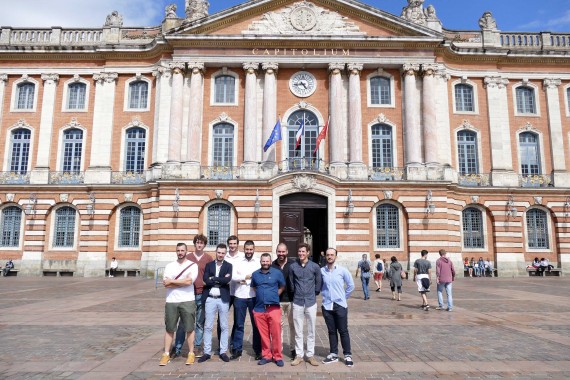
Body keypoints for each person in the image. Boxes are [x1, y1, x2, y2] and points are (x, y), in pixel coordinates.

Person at [173, 234, 213, 358]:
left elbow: (211, 274)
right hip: (188, 294)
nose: (199, 245)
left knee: (200, 322)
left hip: (202, 293)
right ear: (194, 244)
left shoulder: (208, 258)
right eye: (197, 242)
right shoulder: (188, 257)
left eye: (201, 243)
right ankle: (178, 347)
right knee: (183, 323)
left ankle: (196, 346)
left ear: (204, 245)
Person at [159, 243, 199, 366]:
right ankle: (166, 354)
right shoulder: (170, 266)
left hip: (187, 300)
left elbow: (189, 281)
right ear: (176, 251)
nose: (180, 252)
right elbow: (166, 284)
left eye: (182, 250)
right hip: (171, 300)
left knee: (189, 328)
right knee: (170, 328)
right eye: (178, 250)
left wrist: (172, 281)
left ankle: (191, 353)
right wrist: (178, 282)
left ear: (186, 251)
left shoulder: (193, 265)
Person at [321, 248, 355, 367]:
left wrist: (343, 298)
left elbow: (351, 285)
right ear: (325, 256)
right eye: (328, 255)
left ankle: (347, 354)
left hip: (340, 305)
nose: (330, 256)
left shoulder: (342, 271)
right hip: (327, 305)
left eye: (332, 255)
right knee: (331, 331)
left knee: (343, 331)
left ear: (336, 256)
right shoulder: (321, 271)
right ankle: (333, 353)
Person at [198, 243, 232, 363]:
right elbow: (206, 280)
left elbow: (227, 280)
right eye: (219, 252)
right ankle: (207, 352)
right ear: (216, 252)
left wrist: (214, 279)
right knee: (208, 326)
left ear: (225, 254)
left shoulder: (229, 266)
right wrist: (219, 280)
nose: (220, 255)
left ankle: (223, 351)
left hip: (223, 299)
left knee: (224, 326)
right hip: (210, 299)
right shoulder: (209, 265)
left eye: (223, 253)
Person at [289, 243, 322, 367]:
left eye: (303, 251)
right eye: (299, 251)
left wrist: (313, 293)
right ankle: (299, 355)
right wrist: (296, 293)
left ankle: (310, 355)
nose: (301, 254)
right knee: (298, 330)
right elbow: (291, 283)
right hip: (297, 301)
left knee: (311, 330)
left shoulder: (315, 267)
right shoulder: (293, 267)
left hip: (310, 302)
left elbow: (318, 282)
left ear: (308, 252)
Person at [251, 253, 286, 367]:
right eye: (263, 261)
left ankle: (277, 356)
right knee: (264, 335)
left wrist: (274, 295)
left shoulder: (277, 273)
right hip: (259, 309)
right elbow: (255, 287)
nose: (265, 263)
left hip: (273, 308)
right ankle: (266, 355)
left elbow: (282, 286)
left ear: (270, 262)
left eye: (267, 261)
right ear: (260, 262)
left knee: (276, 334)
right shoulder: (255, 274)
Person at [230, 240, 261, 360]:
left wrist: (244, 280)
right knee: (238, 324)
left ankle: (258, 350)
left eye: (251, 249)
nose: (249, 251)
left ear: (254, 249)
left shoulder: (258, 262)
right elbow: (233, 277)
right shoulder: (238, 262)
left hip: (254, 297)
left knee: (256, 325)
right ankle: (237, 349)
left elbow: (259, 276)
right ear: (244, 249)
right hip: (240, 296)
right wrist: (246, 277)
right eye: (247, 249)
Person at [219, 235, 243, 354]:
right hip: (225, 292)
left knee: (237, 320)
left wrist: (234, 277)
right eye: (231, 244)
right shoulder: (224, 257)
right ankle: (221, 344)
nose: (232, 246)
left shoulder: (242, 257)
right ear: (228, 244)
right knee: (221, 319)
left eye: (234, 244)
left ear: (237, 244)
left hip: (239, 292)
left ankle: (234, 343)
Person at [271, 243, 296, 358]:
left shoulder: (293, 264)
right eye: (279, 252)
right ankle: (277, 350)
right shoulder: (272, 265)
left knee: (293, 326)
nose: (281, 254)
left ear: (287, 252)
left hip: (291, 300)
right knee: (277, 326)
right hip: (277, 301)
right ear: (276, 252)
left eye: (283, 252)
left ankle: (293, 349)